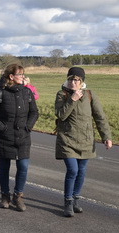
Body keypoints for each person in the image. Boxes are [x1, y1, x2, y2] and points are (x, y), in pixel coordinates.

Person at [54, 67, 112, 217]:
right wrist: (72, 100)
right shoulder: (62, 94)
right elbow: (61, 115)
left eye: (76, 80)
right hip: (67, 140)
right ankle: (68, 201)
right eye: (71, 79)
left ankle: (75, 200)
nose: (73, 82)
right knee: (72, 170)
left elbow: (100, 117)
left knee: (81, 171)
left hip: (86, 140)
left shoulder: (90, 95)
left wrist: (107, 137)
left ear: (82, 81)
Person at [0, 64, 39, 212]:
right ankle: (5, 195)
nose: (23, 77)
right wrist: (3, 128)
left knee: (23, 167)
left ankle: (18, 196)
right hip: (4, 137)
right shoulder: (0, 92)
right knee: (4, 168)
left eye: (23, 74)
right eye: (20, 74)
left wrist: (28, 126)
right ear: (11, 77)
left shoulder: (27, 92)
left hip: (23, 137)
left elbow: (34, 112)